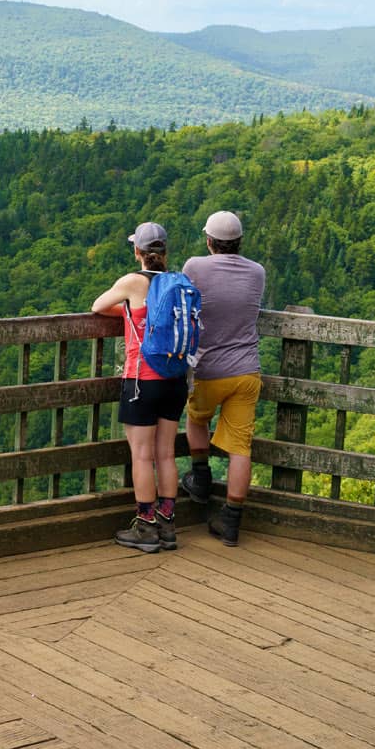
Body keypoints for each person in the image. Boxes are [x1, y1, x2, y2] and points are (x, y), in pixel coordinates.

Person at [92, 221, 187, 552]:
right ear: (165, 252)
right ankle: (167, 523)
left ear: (138, 252)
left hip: (141, 381)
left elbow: (98, 306)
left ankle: (145, 527)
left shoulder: (132, 282)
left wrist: (131, 314)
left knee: (142, 455)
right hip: (175, 380)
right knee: (166, 453)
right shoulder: (178, 282)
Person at [180, 210, 266, 546]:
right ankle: (231, 521)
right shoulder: (257, 272)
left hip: (208, 368)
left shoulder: (195, 267)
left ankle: (200, 479)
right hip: (247, 370)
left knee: (197, 419)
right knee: (240, 447)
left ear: (208, 241)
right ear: (239, 241)